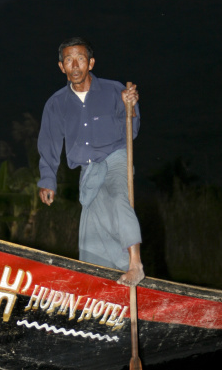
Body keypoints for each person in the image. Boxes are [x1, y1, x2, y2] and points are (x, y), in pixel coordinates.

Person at [37, 37, 144, 286]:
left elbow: (132, 131)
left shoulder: (113, 90)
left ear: (91, 63)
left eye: (81, 59)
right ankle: (100, 282)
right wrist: (47, 180)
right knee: (91, 228)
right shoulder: (56, 104)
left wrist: (132, 107)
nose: (75, 65)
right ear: (61, 66)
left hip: (116, 158)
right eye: (68, 60)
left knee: (118, 197)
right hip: (88, 168)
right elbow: (49, 144)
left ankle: (135, 265)